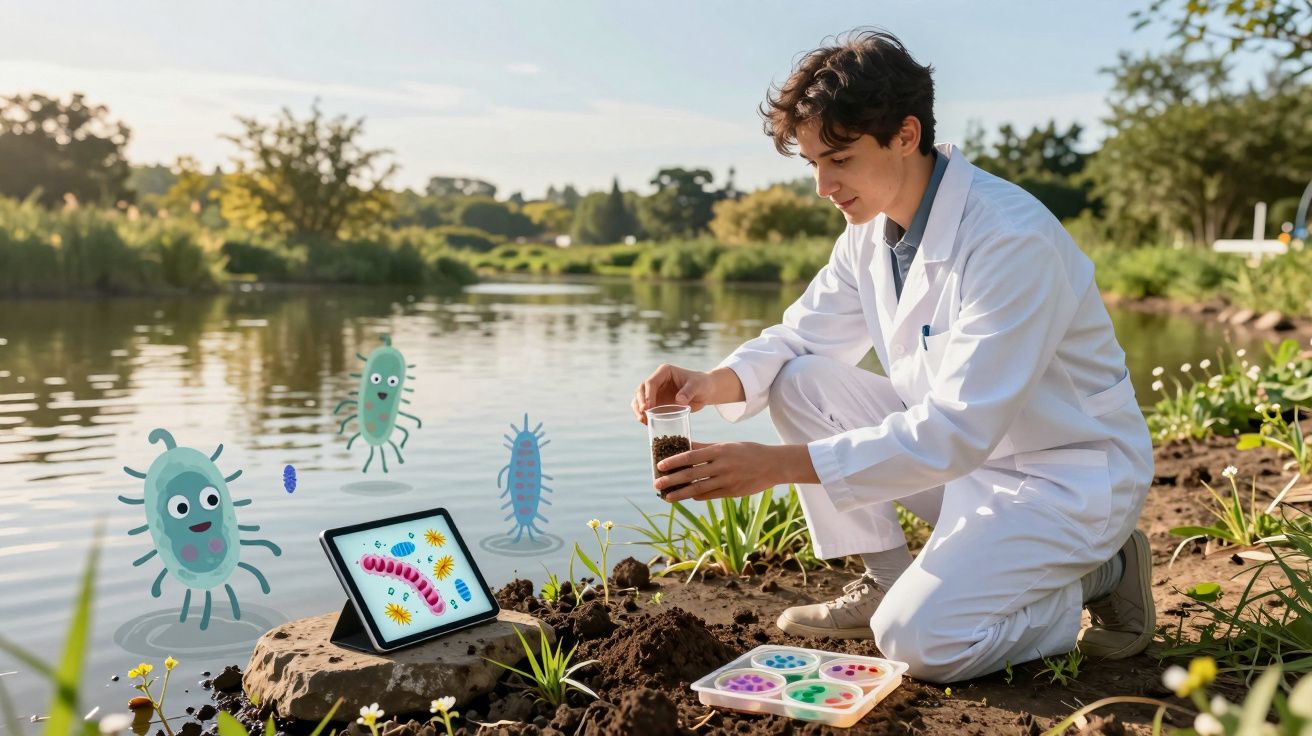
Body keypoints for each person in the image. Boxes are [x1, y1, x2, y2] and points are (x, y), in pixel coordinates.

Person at [630, 29, 1155, 683]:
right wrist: (712, 383)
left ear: (906, 135)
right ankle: (885, 578)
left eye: (840, 158)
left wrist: (774, 467)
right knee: (797, 380)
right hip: (967, 466)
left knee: (919, 641)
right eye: (813, 162)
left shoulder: (1010, 239)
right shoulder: (870, 231)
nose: (823, 185)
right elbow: (800, 337)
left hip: (1063, 479)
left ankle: (1099, 573)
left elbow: (957, 429)